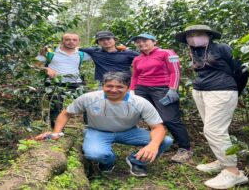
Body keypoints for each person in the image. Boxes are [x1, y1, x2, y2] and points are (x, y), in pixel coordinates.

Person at [35, 72, 173, 177]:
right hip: (98, 131)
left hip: (129, 132)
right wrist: (56, 132)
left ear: (128, 87)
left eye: (119, 86)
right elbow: (66, 113)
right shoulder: (90, 98)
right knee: (96, 154)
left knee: (164, 141)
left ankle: (136, 162)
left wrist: (153, 145)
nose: (114, 90)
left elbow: (158, 127)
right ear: (103, 86)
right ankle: (108, 161)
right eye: (109, 86)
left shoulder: (139, 102)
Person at [175, 24, 249, 189]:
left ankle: (233, 172)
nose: (194, 37)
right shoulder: (194, 51)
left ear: (209, 35)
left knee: (213, 130)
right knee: (215, 129)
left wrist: (236, 91)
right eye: (190, 35)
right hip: (201, 91)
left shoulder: (222, 48)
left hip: (221, 91)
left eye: (199, 33)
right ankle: (222, 161)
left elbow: (242, 70)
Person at [129, 33, 192, 163]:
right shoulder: (137, 59)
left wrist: (173, 89)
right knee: (151, 118)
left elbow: (175, 71)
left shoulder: (167, 53)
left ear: (154, 41)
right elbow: (135, 76)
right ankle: (162, 142)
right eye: (138, 42)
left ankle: (185, 148)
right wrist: (132, 91)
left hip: (162, 89)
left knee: (170, 118)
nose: (141, 43)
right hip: (142, 89)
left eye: (145, 40)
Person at [36, 33, 91, 128]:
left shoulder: (82, 54)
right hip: (55, 83)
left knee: (87, 105)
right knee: (56, 108)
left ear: (78, 42)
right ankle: (57, 132)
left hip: (76, 82)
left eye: (74, 40)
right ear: (62, 41)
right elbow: (36, 64)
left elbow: (103, 54)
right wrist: (47, 69)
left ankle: (91, 128)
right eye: (68, 39)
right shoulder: (50, 52)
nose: (71, 42)